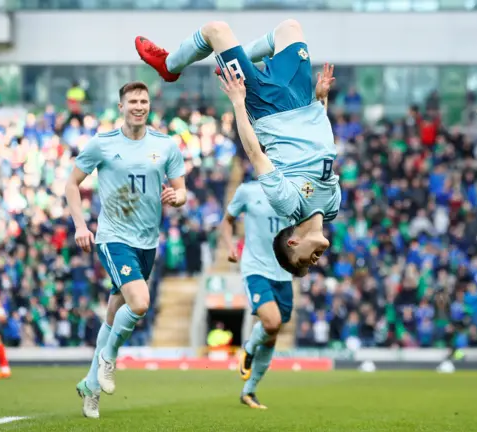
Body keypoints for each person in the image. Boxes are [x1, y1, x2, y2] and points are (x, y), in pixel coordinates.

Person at [135, 19, 339, 277]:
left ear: (293, 242)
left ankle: (168, 66)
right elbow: (323, 148)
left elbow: (255, 154)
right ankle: (233, 59)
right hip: (304, 100)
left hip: (267, 107)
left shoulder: (288, 206)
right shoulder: (332, 207)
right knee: (290, 28)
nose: (313, 262)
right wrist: (322, 100)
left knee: (215, 31)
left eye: (302, 263)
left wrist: (238, 103)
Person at [65, 81, 186, 419]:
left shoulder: (164, 145)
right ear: (121, 106)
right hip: (114, 237)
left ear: (149, 106)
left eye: (143, 101)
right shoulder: (102, 144)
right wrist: (80, 225)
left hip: (148, 241)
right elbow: (71, 183)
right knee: (141, 302)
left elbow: (182, 189)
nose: (139, 106)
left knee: (113, 312)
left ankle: (91, 386)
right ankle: (108, 359)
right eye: (132, 101)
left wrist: (178, 197)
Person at [221, 180, 293, 409]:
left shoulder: (293, 192)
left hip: (284, 272)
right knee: (272, 323)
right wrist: (229, 246)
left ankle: (248, 392)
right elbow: (226, 221)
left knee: (272, 335)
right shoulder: (248, 191)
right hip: (256, 269)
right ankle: (250, 348)